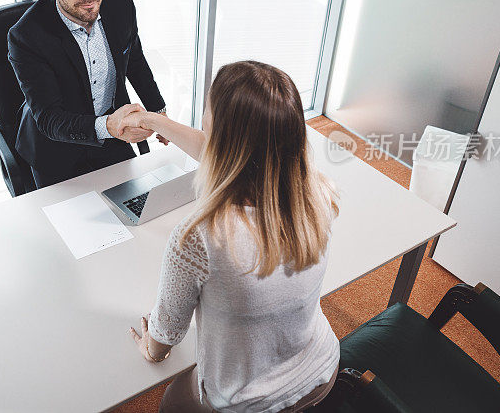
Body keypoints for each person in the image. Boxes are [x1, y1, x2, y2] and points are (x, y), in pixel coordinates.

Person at [124, 61, 341, 413]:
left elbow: (163, 339)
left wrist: (147, 349)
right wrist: (153, 121)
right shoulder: (316, 188)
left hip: (249, 401)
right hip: (321, 368)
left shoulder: (199, 237)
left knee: (171, 402)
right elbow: (227, 153)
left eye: (207, 112)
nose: (203, 118)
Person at [8, 0, 166, 188]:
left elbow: (135, 61)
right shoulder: (26, 36)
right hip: (55, 149)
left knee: (136, 211)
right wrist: (110, 126)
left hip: (113, 136)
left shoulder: (120, 4)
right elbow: (49, 118)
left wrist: (158, 111)